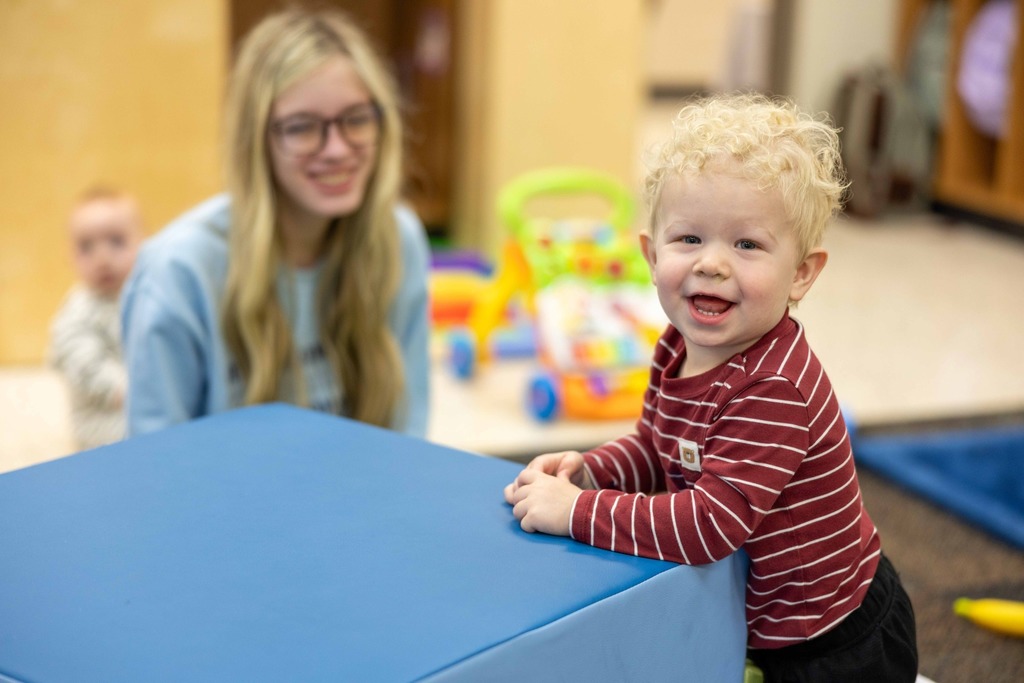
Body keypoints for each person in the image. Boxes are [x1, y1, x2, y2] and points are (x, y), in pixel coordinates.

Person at [503, 93, 918, 682]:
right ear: (650, 255)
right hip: (760, 625)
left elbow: (707, 526)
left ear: (801, 272)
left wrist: (577, 511)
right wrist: (597, 471)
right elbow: (657, 447)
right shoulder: (677, 346)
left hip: (833, 643)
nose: (712, 264)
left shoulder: (773, 389)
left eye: (746, 244)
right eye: (689, 239)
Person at [121, 8, 431, 437]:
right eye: (303, 127)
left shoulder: (399, 240)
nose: (338, 149)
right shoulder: (178, 272)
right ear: (256, 140)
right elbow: (153, 470)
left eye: (357, 119)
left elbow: (407, 437)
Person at [49, 187, 142, 450]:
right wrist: (128, 390)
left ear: (143, 243)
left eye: (116, 241)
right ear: (71, 256)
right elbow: (83, 364)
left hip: (143, 397)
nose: (103, 258)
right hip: (102, 417)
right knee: (153, 436)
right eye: (87, 247)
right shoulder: (78, 310)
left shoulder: (144, 293)